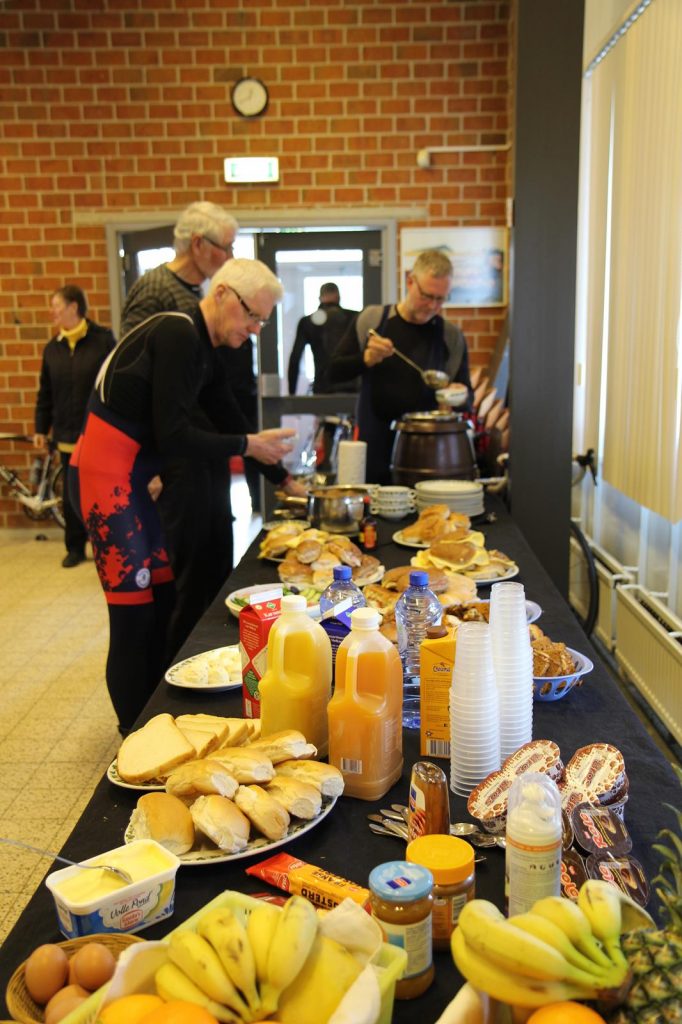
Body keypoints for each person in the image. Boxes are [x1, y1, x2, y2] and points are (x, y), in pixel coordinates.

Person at [69, 259, 299, 733]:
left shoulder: (204, 348)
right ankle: (134, 738)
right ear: (223, 295)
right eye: (253, 316)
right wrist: (246, 446)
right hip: (103, 481)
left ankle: (156, 723)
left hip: (128, 484)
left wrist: (284, 480)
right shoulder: (176, 332)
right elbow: (174, 436)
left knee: (163, 599)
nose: (256, 330)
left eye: (263, 321)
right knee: (133, 619)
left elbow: (229, 420)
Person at [328, 249, 473, 484]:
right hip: (374, 443)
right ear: (409, 281)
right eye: (426, 295)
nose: (432, 306)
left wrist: (458, 395)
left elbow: (468, 398)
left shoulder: (451, 336)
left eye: (440, 299)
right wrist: (365, 360)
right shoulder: (372, 320)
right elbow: (332, 372)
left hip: (427, 451)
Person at [33, 285, 116, 567]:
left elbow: (113, 386)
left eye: (57, 305)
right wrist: (40, 430)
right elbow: (45, 393)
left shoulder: (103, 341)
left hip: (98, 434)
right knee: (71, 498)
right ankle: (75, 547)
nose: (52, 311)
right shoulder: (52, 348)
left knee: (101, 494)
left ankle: (107, 545)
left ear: (74, 307)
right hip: (67, 436)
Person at [119, 201, 238, 335]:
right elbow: (131, 352)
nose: (230, 257)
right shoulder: (155, 289)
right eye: (226, 248)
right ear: (197, 244)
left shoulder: (194, 289)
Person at [287, 282, 358, 395]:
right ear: (338, 297)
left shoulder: (307, 322)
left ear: (320, 298)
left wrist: (292, 394)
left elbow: (295, 358)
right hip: (352, 390)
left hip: (323, 388)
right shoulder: (355, 318)